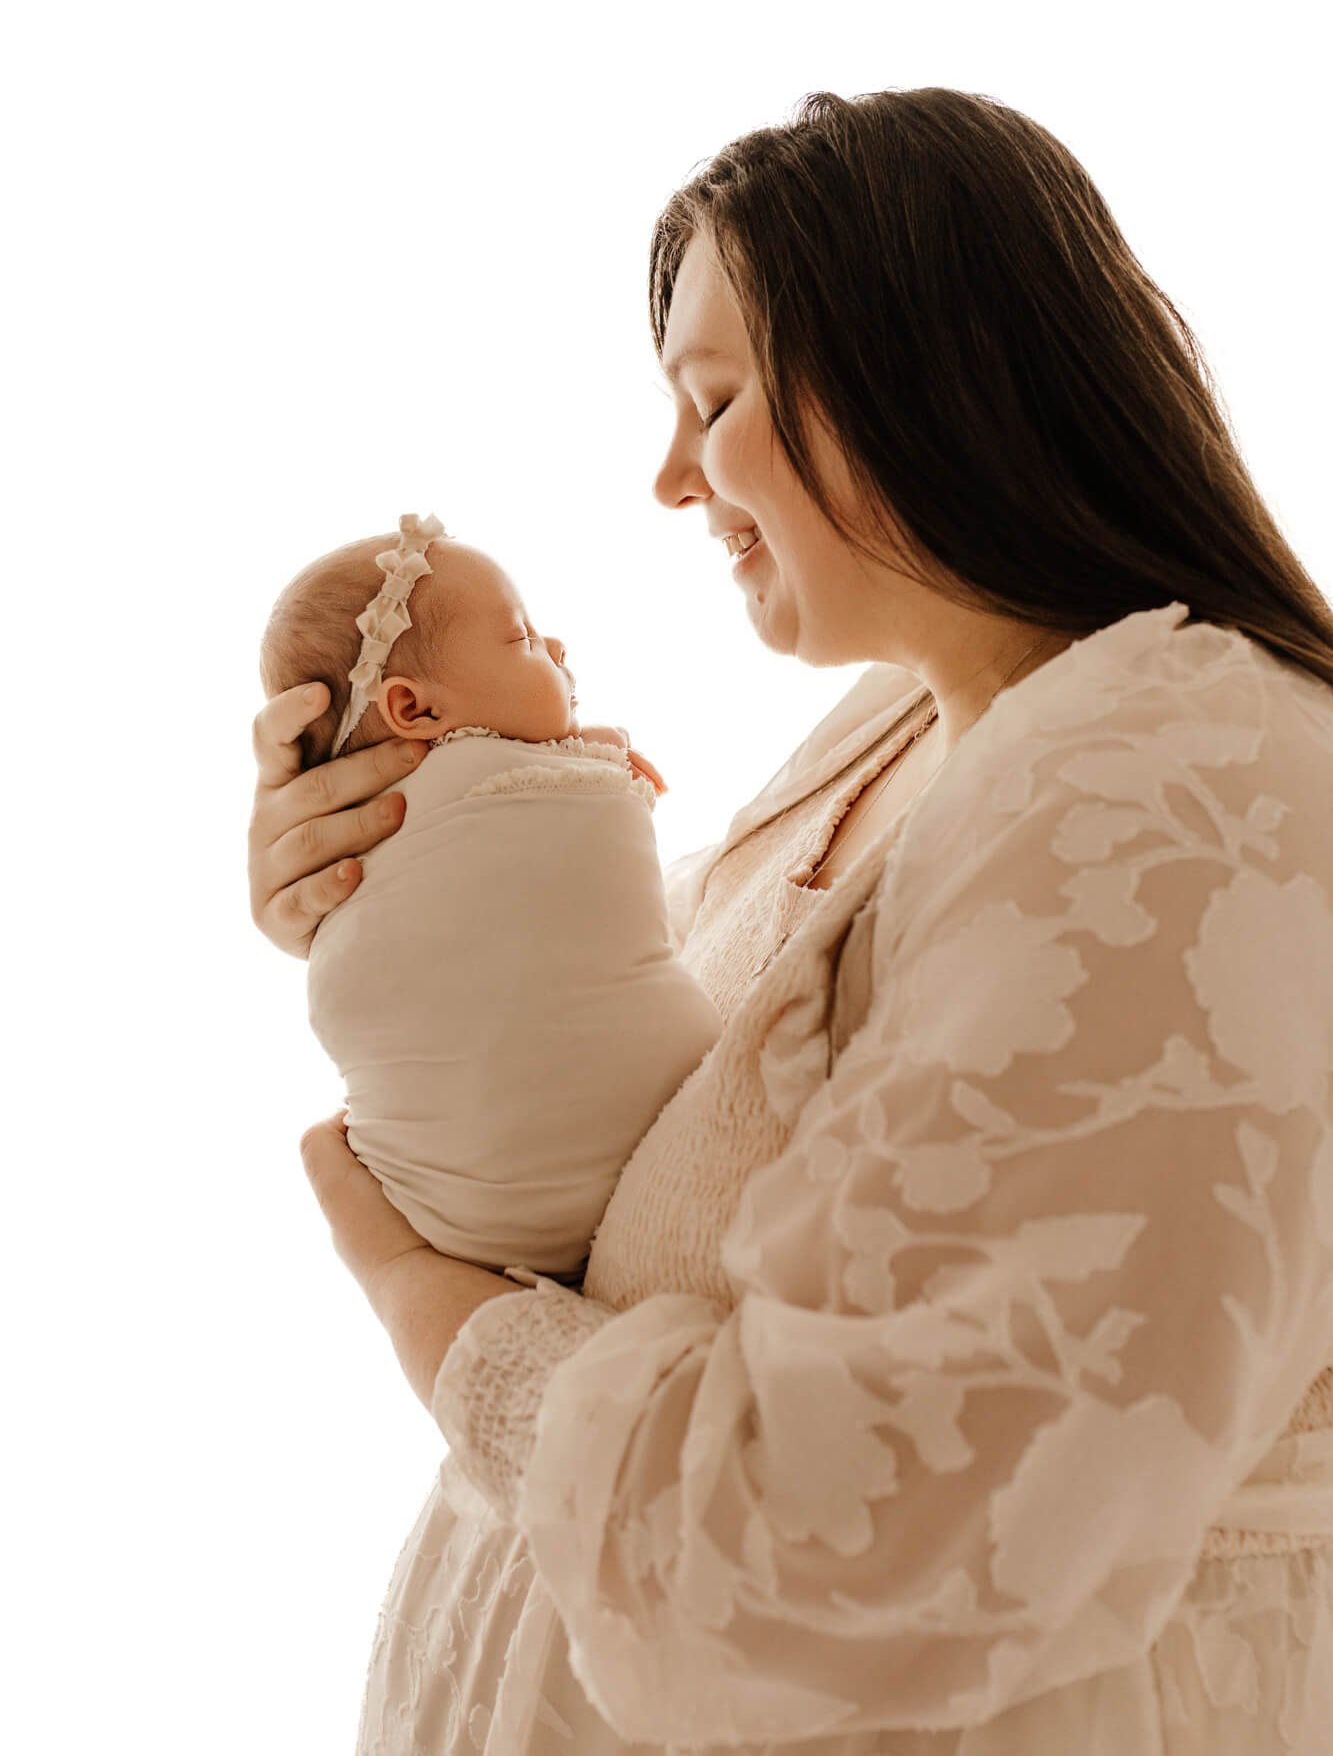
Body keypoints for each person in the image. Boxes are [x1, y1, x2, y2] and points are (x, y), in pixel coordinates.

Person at [248, 87, 1333, 1753]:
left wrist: (415, 1296)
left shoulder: (1171, 786)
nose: (670, 479)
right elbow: (631, 1179)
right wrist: (393, 903)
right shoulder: (901, 738)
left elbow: (849, 1551)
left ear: (922, 369)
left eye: (716, 397)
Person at [256, 512, 722, 1284]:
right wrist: (606, 752)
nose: (559, 648)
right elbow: (594, 787)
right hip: (655, 1135)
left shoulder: (350, 835)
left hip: (454, 1223)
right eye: (525, 640)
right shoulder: (525, 788)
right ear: (416, 710)